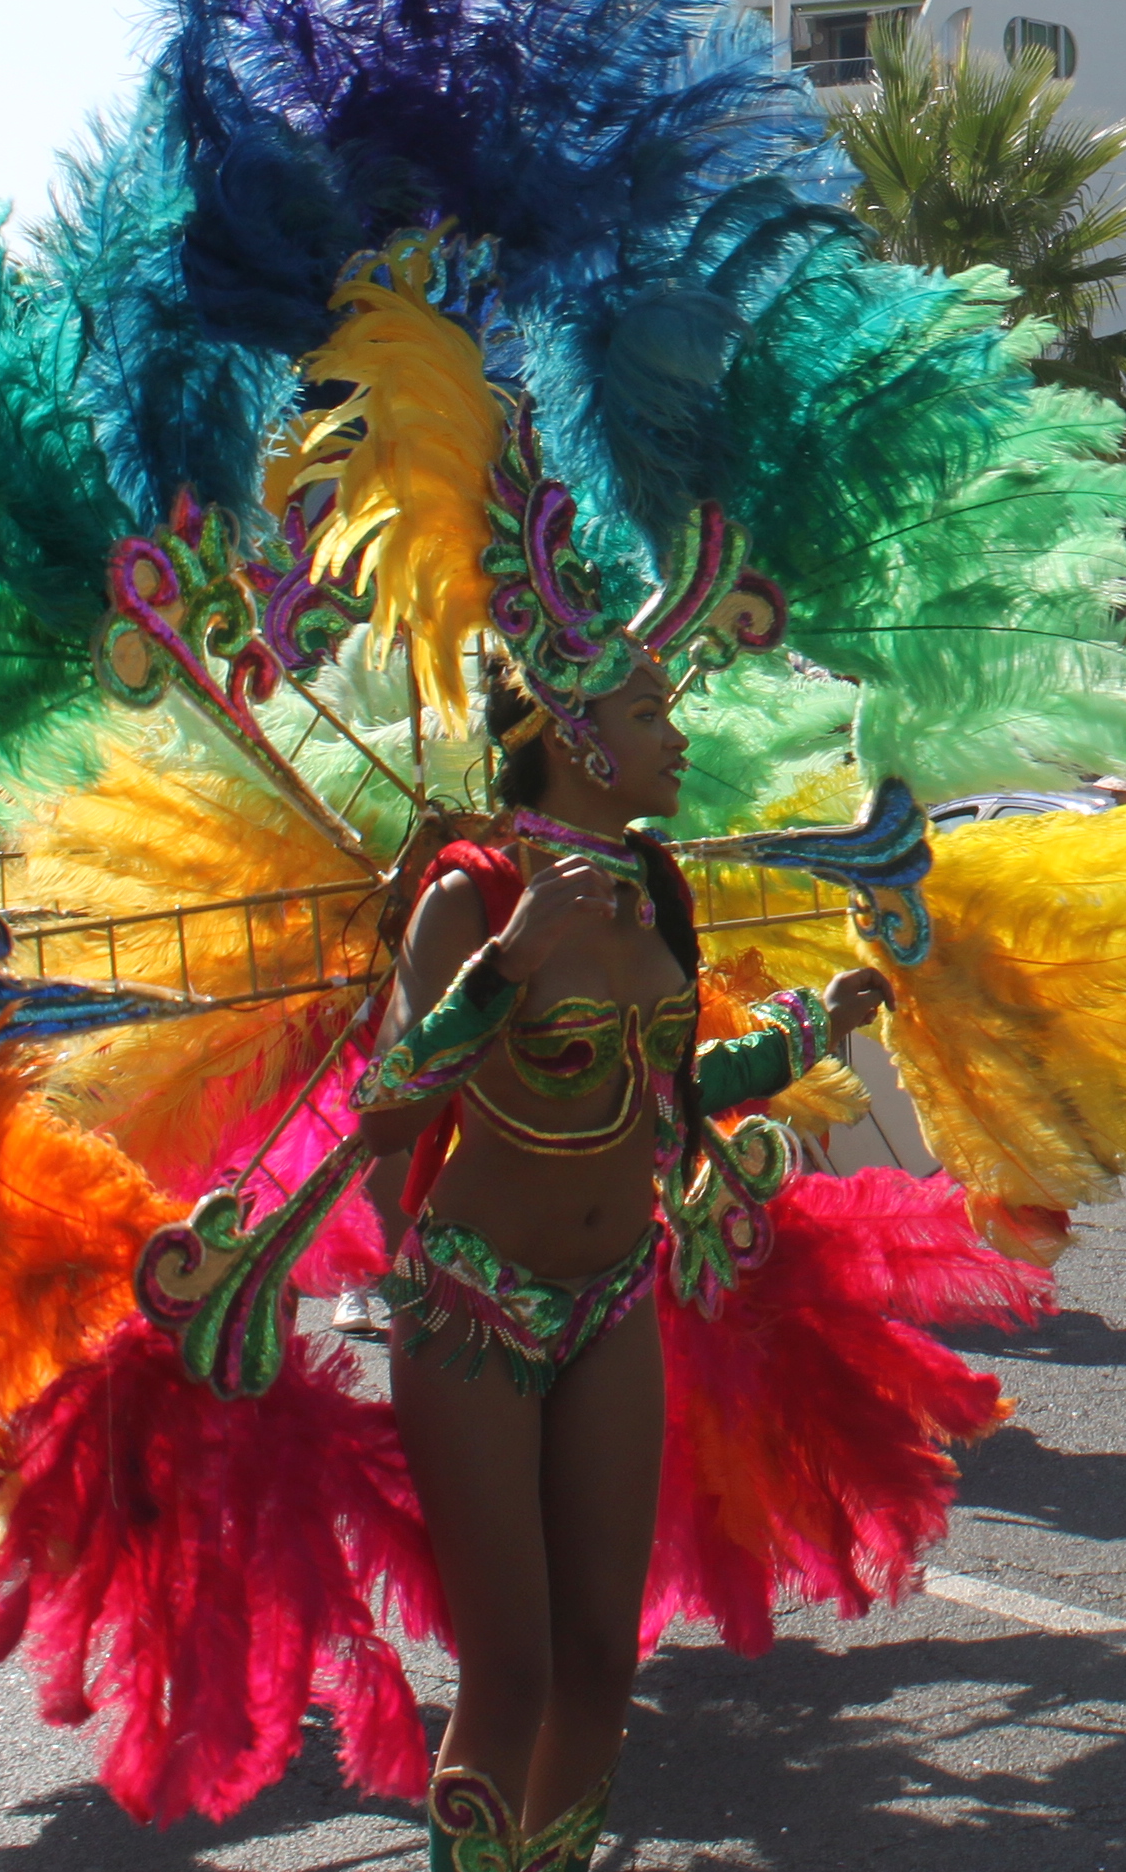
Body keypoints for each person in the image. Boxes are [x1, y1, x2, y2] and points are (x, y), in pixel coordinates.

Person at [356, 650, 892, 1868]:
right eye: (651, 713)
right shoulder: (473, 895)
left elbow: (657, 1100)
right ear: (574, 735)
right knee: (512, 1671)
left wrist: (811, 1024)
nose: (680, 736)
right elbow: (385, 1112)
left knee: (601, 1662)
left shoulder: (655, 886)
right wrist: (508, 968)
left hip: (611, 1304)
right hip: (472, 1309)